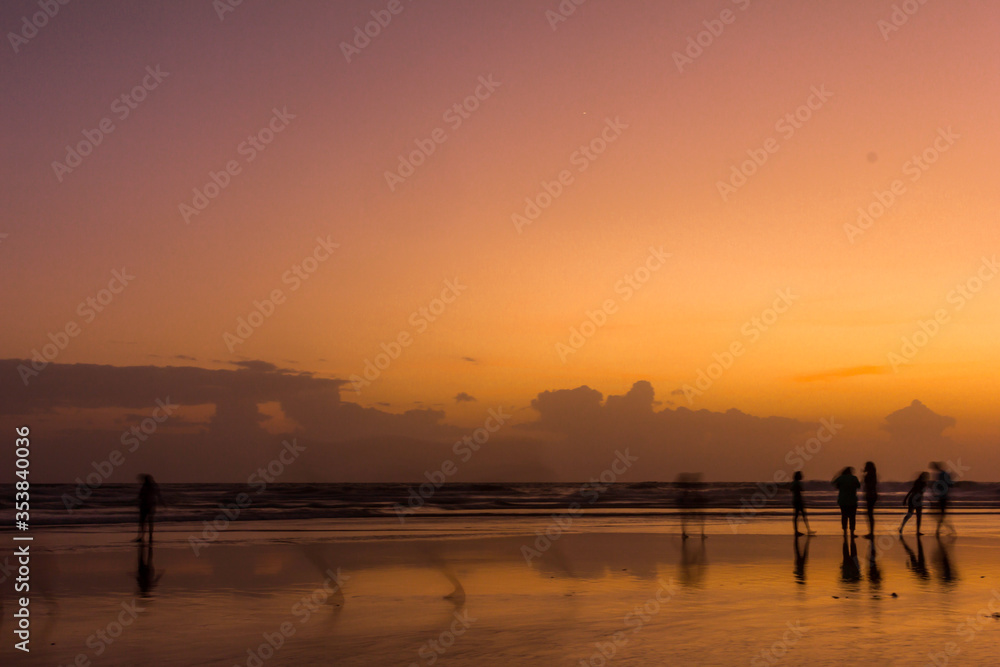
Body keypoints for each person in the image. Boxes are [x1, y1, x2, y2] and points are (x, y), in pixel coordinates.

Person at [832, 466, 861, 536]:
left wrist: (838, 474)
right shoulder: (854, 478)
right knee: (852, 517)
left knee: (844, 516)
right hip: (852, 500)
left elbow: (833, 482)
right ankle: (852, 532)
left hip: (843, 500)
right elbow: (859, 486)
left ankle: (845, 531)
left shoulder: (841, 478)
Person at [135, 474, 164, 543]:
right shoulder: (153, 486)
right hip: (150, 506)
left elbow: (140, 496)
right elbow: (159, 495)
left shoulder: (146, 486)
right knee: (149, 522)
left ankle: (142, 536)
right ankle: (148, 536)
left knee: (143, 522)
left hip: (146, 506)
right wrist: (162, 503)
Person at [930, 461, 956, 536]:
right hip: (944, 497)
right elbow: (950, 485)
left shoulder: (940, 475)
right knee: (941, 514)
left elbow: (938, 486)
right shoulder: (945, 474)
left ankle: (942, 530)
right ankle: (944, 529)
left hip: (941, 497)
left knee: (940, 514)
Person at [790, 471, 814, 536]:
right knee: (803, 515)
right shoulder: (798, 483)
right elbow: (801, 489)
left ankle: (796, 530)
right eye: (801, 475)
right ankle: (808, 530)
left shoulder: (793, 483)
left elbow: (791, 489)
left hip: (795, 500)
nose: (802, 476)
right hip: (799, 500)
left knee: (796, 516)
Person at [862, 461, 878, 537]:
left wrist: (863, 474)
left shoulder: (869, 475)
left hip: (870, 495)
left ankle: (871, 532)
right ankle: (871, 532)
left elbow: (865, 483)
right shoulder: (873, 474)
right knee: (870, 514)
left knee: (869, 514)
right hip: (873, 494)